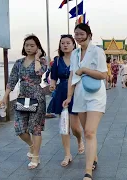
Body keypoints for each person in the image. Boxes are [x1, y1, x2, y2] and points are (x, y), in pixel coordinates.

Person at [62, 23, 108, 180]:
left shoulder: (97, 51)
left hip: (96, 95)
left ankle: (88, 171)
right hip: (80, 95)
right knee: (87, 131)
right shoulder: (75, 53)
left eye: (81, 34)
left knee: (89, 131)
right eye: (76, 34)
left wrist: (85, 70)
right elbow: (71, 77)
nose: (78, 37)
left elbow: (103, 74)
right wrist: (69, 97)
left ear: (89, 34)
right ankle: (93, 158)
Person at [0, 35, 47, 169]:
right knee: (19, 128)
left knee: (35, 128)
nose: (29, 47)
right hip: (23, 97)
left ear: (37, 47)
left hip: (37, 97)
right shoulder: (19, 62)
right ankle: (32, 146)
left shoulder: (42, 61)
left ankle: (36, 157)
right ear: (23, 47)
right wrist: (4, 98)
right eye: (27, 45)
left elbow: (39, 73)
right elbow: (12, 80)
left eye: (32, 45)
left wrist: (37, 58)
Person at [49, 34, 84, 167]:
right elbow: (53, 78)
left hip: (76, 93)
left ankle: (79, 139)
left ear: (74, 44)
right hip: (61, 93)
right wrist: (52, 85)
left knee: (75, 127)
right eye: (62, 43)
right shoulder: (57, 61)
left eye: (68, 42)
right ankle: (67, 154)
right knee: (64, 126)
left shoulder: (79, 59)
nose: (65, 45)